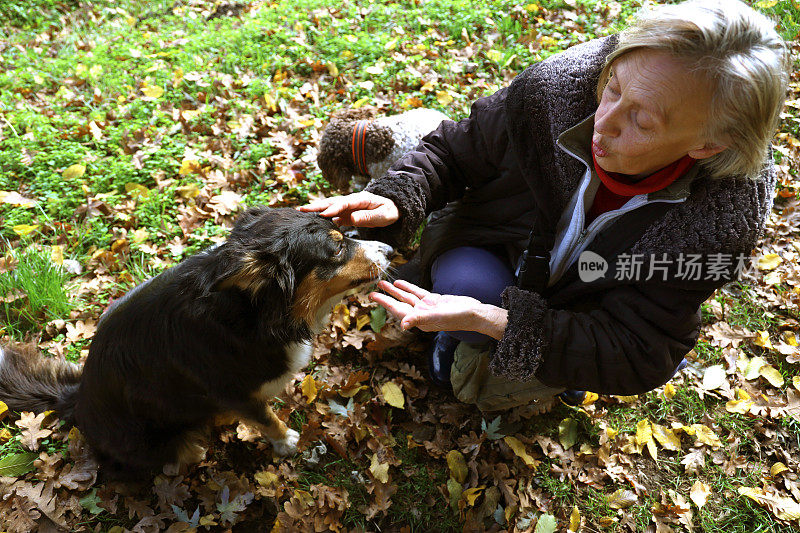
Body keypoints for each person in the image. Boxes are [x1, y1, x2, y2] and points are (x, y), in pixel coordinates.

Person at [299, 0, 789, 413]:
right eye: (613, 86)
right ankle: (464, 339)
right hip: (494, 249)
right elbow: (454, 150)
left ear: (707, 146)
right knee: (465, 284)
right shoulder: (555, 93)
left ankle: (514, 358)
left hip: (575, 310)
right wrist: (396, 197)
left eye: (641, 120)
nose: (603, 121)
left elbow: (642, 349)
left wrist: (497, 323)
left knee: (484, 391)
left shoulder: (716, 222)